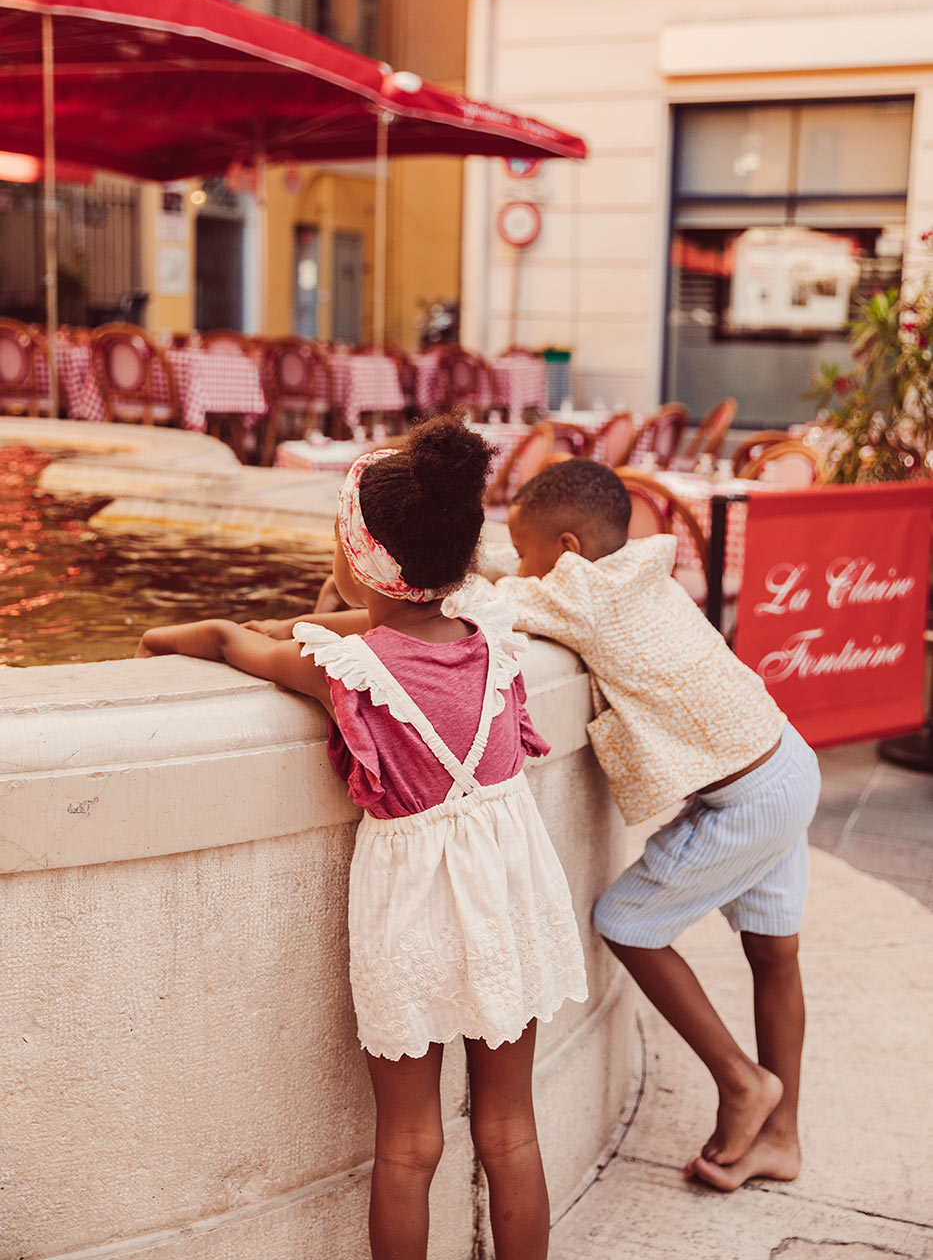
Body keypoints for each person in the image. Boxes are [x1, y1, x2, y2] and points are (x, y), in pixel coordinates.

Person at [135, 415, 587, 1260]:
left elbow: (231, 642)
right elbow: (384, 628)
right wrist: (348, 603)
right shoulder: (493, 642)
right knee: (509, 1130)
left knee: (409, 1145)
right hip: (505, 887)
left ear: (357, 558)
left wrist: (156, 640)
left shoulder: (349, 672)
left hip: (414, 908)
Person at [480, 458, 821, 1194]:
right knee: (773, 952)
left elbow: (482, 605)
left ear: (567, 551)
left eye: (525, 549)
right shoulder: (632, 569)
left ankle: (739, 1081)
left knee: (627, 920)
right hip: (783, 761)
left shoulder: (578, 594)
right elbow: (509, 573)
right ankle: (781, 1140)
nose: (519, 565)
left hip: (750, 795)